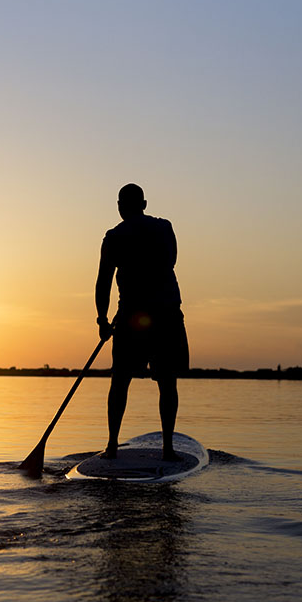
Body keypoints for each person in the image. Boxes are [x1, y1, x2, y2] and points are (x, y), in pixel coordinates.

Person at [96, 183, 189, 461]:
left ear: (121, 207)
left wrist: (102, 318)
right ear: (144, 204)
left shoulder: (113, 237)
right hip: (166, 315)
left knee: (120, 382)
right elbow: (170, 261)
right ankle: (168, 448)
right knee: (168, 382)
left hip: (132, 318)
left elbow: (103, 282)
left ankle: (112, 446)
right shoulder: (165, 228)